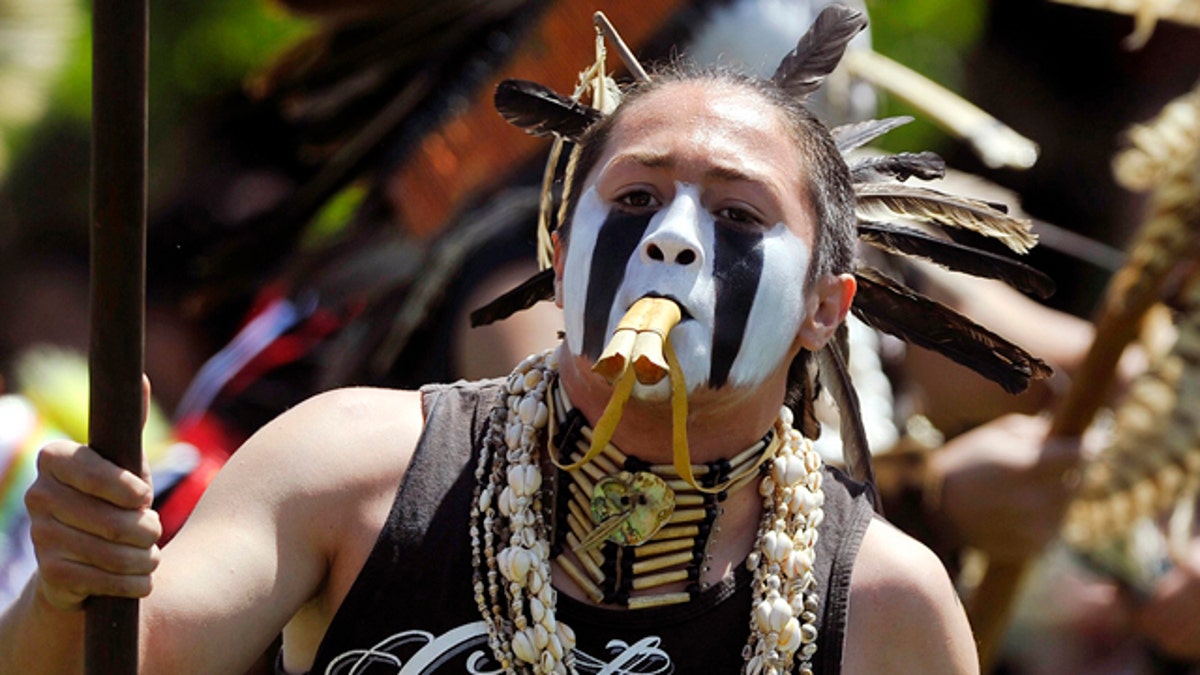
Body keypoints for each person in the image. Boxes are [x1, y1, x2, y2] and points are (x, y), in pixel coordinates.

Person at [0, 40, 980, 675]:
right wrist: (71, 582)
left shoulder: (887, 606)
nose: (674, 240)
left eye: (737, 213)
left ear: (824, 306)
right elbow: (105, 664)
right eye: (635, 198)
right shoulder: (352, 468)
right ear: (558, 260)